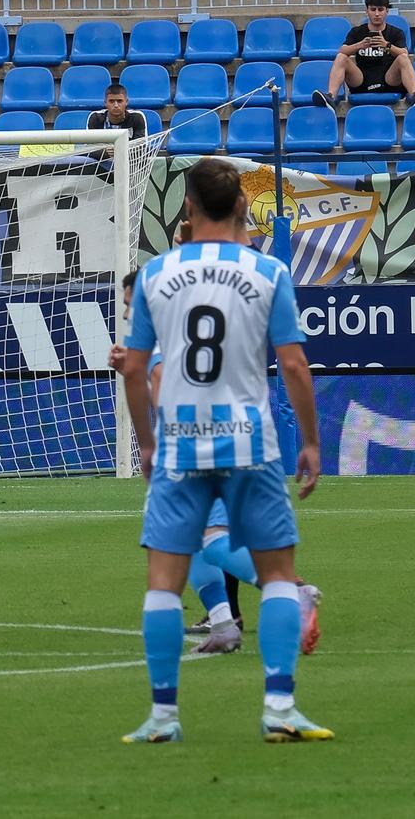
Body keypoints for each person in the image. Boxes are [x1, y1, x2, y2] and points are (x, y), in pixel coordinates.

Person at [115, 158, 332, 745]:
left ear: (186, 208)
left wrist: (146, 442)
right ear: (241, 207)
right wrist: (310, 441)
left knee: (163, 583)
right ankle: (280, 709)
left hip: (180, 447)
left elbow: (135, 370)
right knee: (280, 578)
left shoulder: (157, 274)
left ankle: (163, 718)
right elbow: (292, 363)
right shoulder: (266, 272)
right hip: (249, 441)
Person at [313, 0, 415, 108]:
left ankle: (414, 95)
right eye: (373, 10)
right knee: (341, 57)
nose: (377, 14)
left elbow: (404, 52)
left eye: (380, 10)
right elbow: (342, 51)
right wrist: (360, 45)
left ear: (387, 11)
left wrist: (387, 45)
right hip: (361, 81)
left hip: (389, 81)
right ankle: (331, 96)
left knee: (403, 58)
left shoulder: (396, 32)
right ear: (366, 12)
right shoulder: (357, 32)